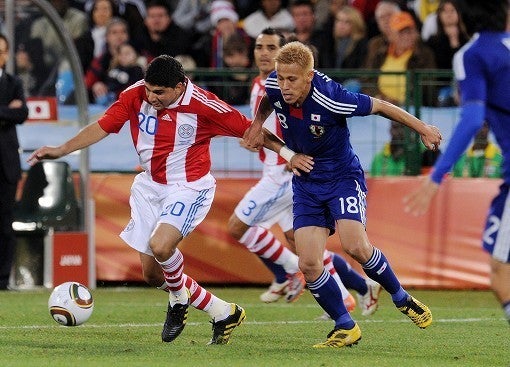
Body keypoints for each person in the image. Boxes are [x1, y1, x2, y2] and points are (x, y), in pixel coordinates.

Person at [28, 55, 249, 343]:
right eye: (149, 90)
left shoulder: (203, 105)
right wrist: (63, 149)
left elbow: (249, 128)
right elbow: (104, 125)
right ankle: (223, 312)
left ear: (180, 87)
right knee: (153, 275)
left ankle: (179, 300)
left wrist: (288, 154)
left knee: (161, 245)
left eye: (159, 93)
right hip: (149, 186)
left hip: (188, 186)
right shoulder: (135, 94)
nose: (152, 97)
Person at [243, 41, 441, 347]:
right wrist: (258, 124)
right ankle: (345, 326)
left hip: (341, 178)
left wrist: (422, 127)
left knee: (355, 245)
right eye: (281, 78)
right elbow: (269, 100)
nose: (284, 85)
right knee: (308, 264)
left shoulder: (331, 98)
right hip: (306, 182)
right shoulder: (274, 85)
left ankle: (401, 297)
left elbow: (380, 106)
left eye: (291, 79)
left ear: (308, 76)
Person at [231, 28, 380, 314]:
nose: (264, 52)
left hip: (285, 173)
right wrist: (254, 134)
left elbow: (301, 134)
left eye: (271, 47)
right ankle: (361, 287)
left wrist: (288, 154)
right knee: (300, 245)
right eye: (259, 46)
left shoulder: (290, 90)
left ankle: (287, 274)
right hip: (274, 168)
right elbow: (265, 128)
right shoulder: (261, 87)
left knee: (238, 226)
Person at [403, 0, 510, 326]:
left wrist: (437, 175)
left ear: (462, 20)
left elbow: (472, 118)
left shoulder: (472, 54)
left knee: (500, 272)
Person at [0, 34, 29, 290]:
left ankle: (2, 280)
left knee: (5, 223)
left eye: (1, 51)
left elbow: (22, 113)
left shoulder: (14, 82)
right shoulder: (11, 88)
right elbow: (14, 112)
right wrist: (7, 110)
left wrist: (12, 111)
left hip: (7, 164)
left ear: (7, 54)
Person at [371, 120, 440, 176]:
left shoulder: (427, 155)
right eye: (395, 127)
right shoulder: (379, 159)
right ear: (390, 130)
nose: (399, 132)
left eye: (403, 127)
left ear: (412, 130)